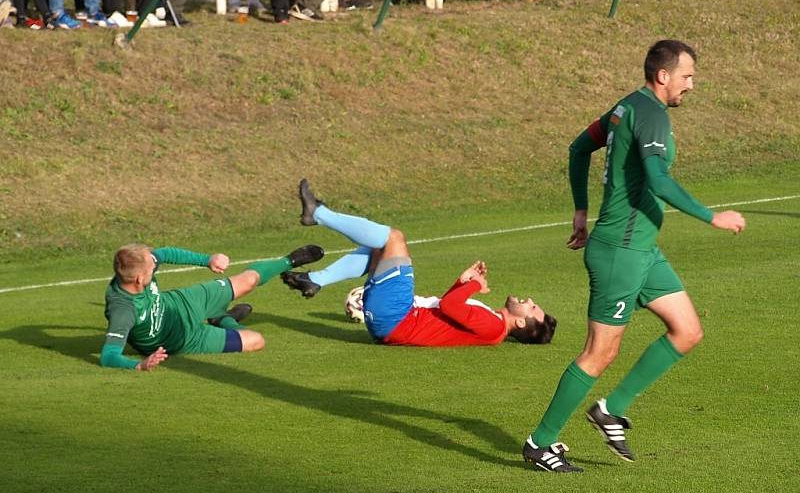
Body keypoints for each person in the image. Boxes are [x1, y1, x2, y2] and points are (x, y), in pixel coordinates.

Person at [521, 40, 746, 473]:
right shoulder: (650, 115)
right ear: (663, 75)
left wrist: (580, 211)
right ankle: (540, 443)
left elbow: (578, 148)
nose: (691, 85)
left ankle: (611, 409)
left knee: (688, 331)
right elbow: (659, 181)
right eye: (687, 76)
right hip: (620, 253)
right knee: (599, 353)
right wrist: (711, 216)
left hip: (642, 251)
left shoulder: (625, 108)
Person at [281, 179, 557, 347]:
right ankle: (315, 279)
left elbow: (449, 306)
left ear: (521, 323)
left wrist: (472, 285)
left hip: (398, 317)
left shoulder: (494, 327)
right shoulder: (492, 324)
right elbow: (448, 310)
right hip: (394, 319)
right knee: (380, 246)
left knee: (394, 238)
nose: (530, 300)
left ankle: (318, 213)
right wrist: (462, 281)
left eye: (532, 307)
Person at [100, 243, 324, 371]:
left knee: (248, 281)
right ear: (139, 279)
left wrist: (208, 259)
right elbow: (109, 355)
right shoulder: (123, 309)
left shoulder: (139, 267)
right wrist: (139, 365)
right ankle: (224, 320)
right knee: (256, 340)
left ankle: (289, 261)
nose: (154, 263)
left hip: (184, 301)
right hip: (186, 339)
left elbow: (166, 253)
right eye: (151, 268)